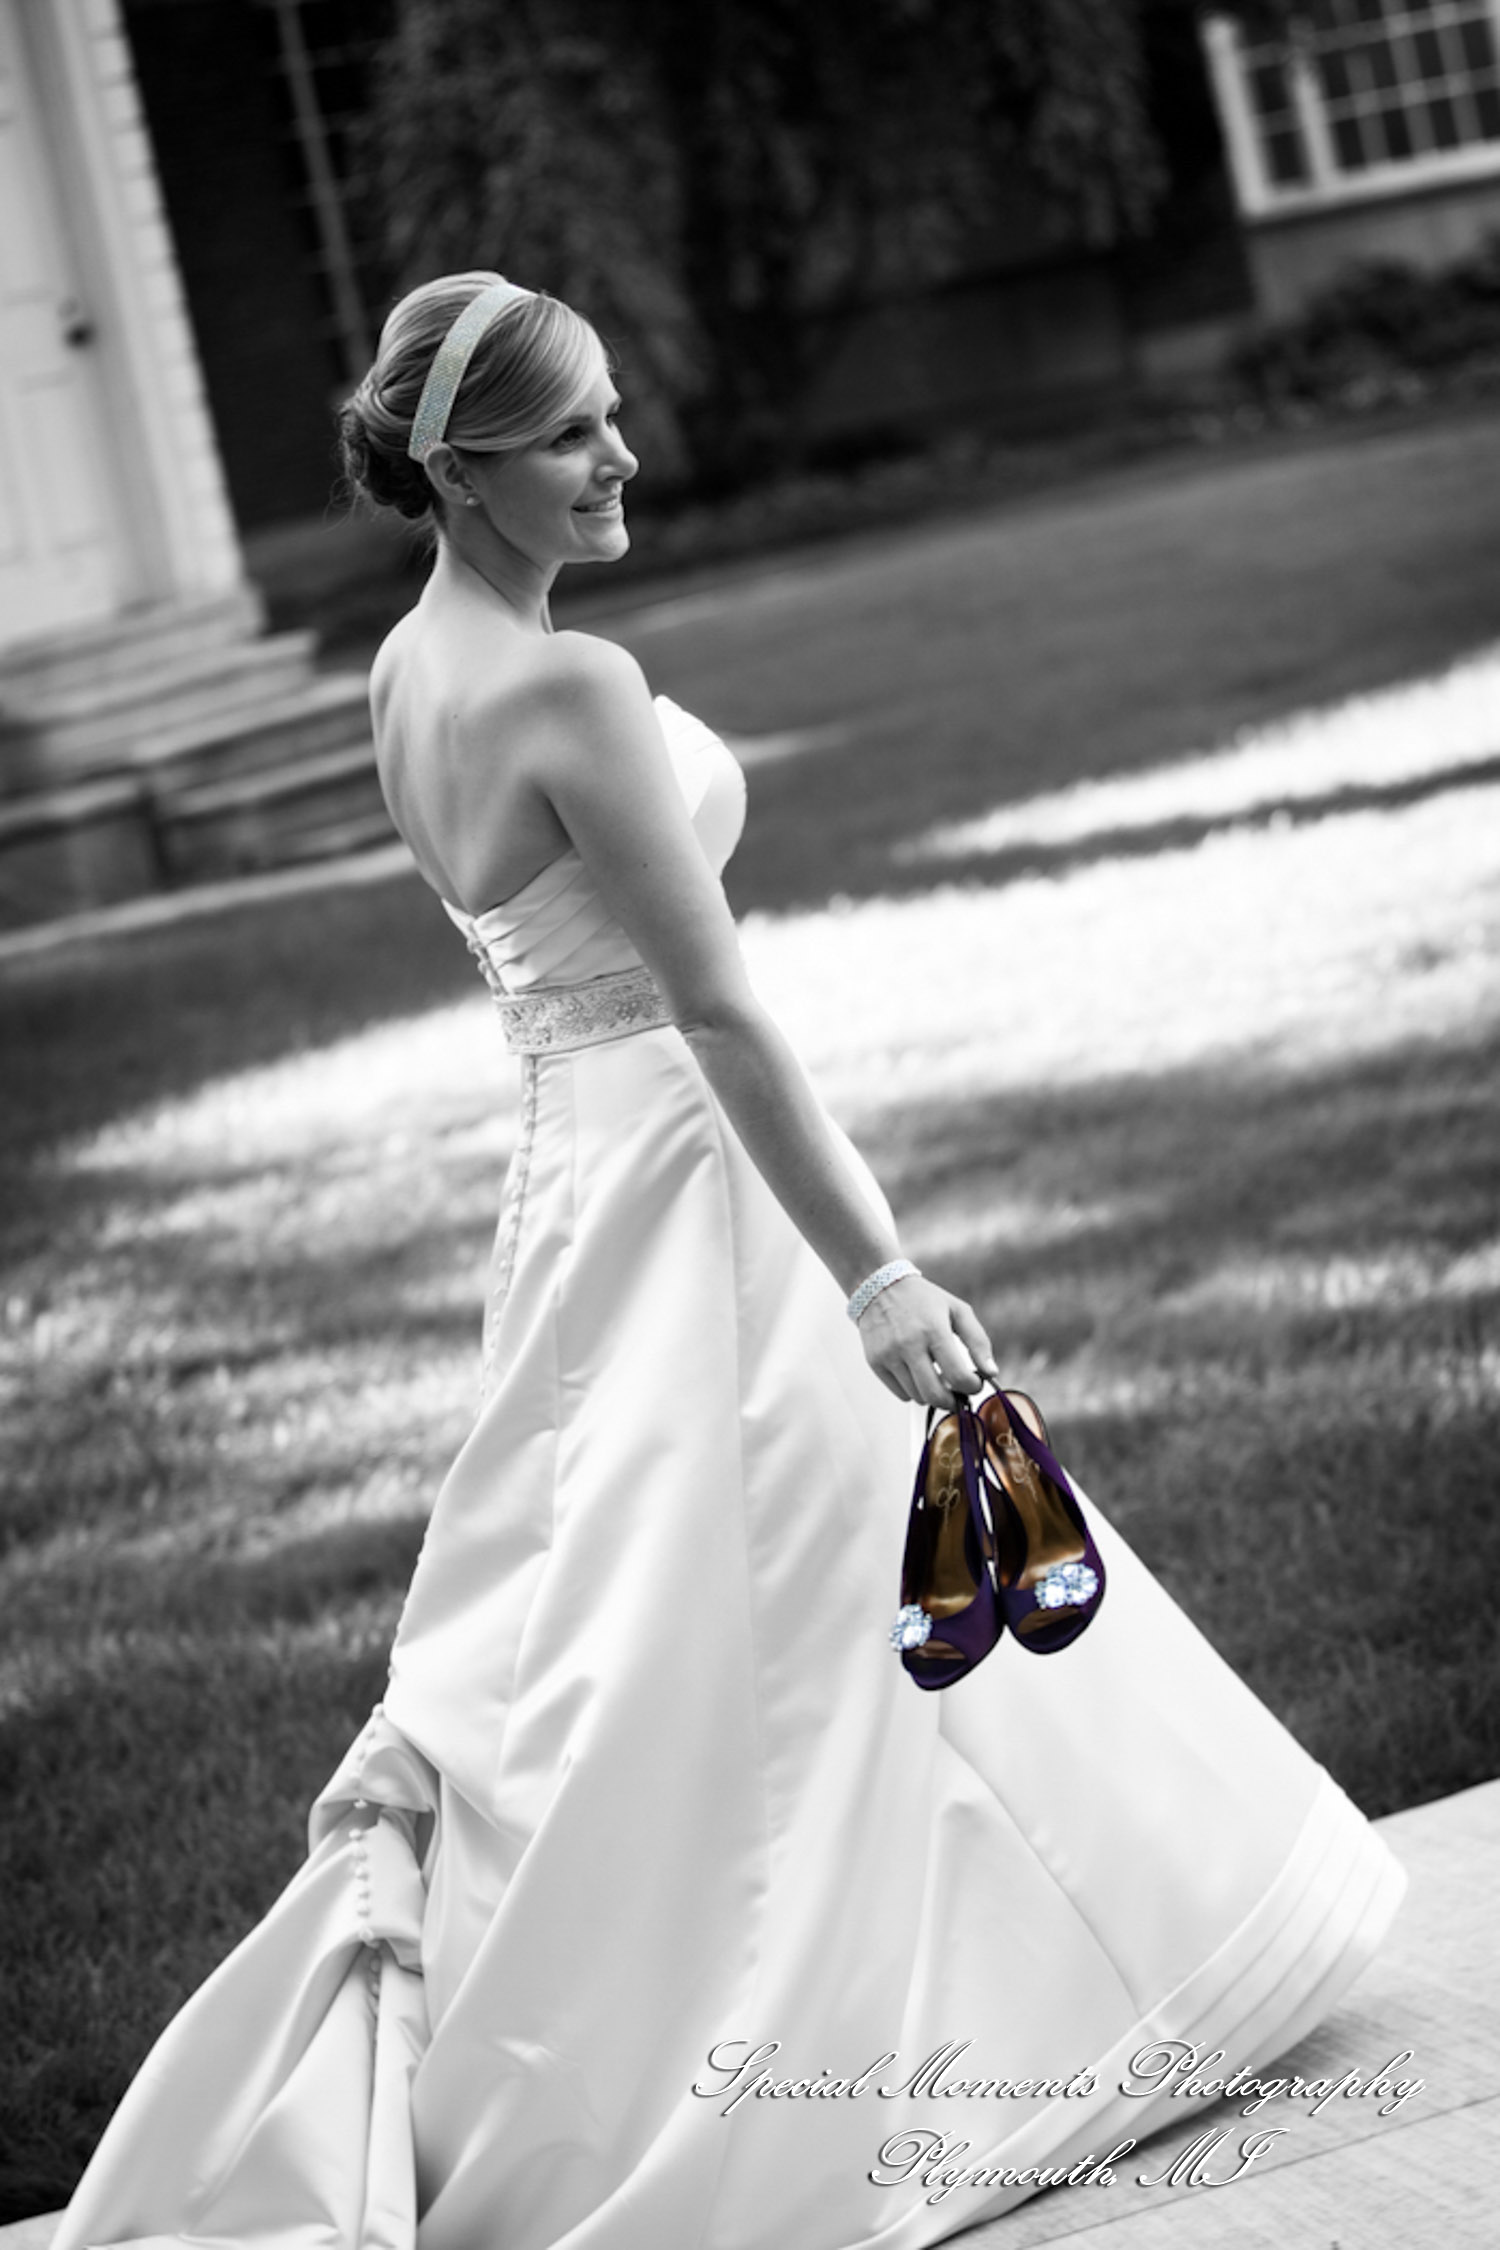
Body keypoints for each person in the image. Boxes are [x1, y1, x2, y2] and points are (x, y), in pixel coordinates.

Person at [52, 272, 1405, 2250]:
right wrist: (877, 1272)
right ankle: (935, 2019)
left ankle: (794, 1995)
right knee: (796, 1583)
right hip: (687, 1172)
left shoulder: (406, 673)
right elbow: (717, 1011)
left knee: (672, 1612)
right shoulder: (571, 689)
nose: (622, 454)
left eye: (613, 410)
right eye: (572, 432)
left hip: (570, 1173)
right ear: (461, 469)